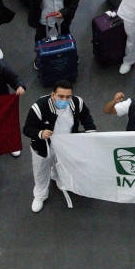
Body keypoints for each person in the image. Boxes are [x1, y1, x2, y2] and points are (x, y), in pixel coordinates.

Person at [23, 80, 97, 213]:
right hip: (43, 147)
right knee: (41, 171)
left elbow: (86, 117)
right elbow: (27, 129)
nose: (64, 99)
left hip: (65, 145)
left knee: (62, 164)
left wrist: (91, 133)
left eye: (68, 97)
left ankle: (58, 177)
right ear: (53, 95)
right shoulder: (39, 107)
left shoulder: (77, 103)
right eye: (61, 96)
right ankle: (40, 195)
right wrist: (40, 133)